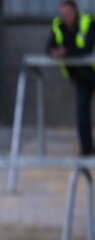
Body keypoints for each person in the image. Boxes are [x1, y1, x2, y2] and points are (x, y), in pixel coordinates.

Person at [48, 0, 95, 155]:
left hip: (92, 71)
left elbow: (86, 48)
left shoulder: (88, 23)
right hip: (82, 76)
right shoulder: (59, 26)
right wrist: (55, 52)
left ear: (75, 12)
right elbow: (49, 47)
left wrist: (66, 51)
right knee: (82, 113)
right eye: (63, 15)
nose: (65, 18)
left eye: (68, 14)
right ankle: (87, 149)